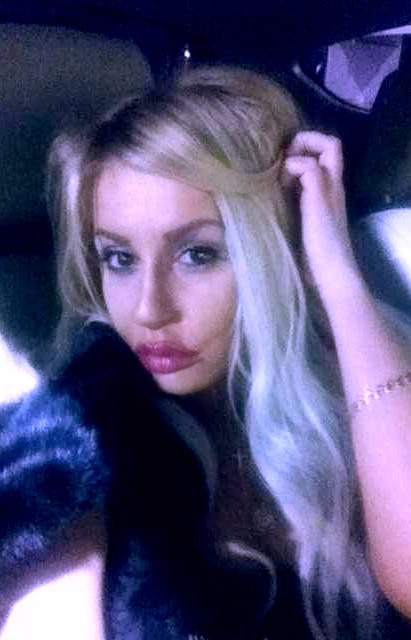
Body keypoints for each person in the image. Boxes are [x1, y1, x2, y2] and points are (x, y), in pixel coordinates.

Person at [1, 65, 411, 640]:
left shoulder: (358, 385)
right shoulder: (79, 436)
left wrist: (337, 279)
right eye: (119, 258)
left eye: (197, 254)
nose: (149, 309)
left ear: (274, 250)